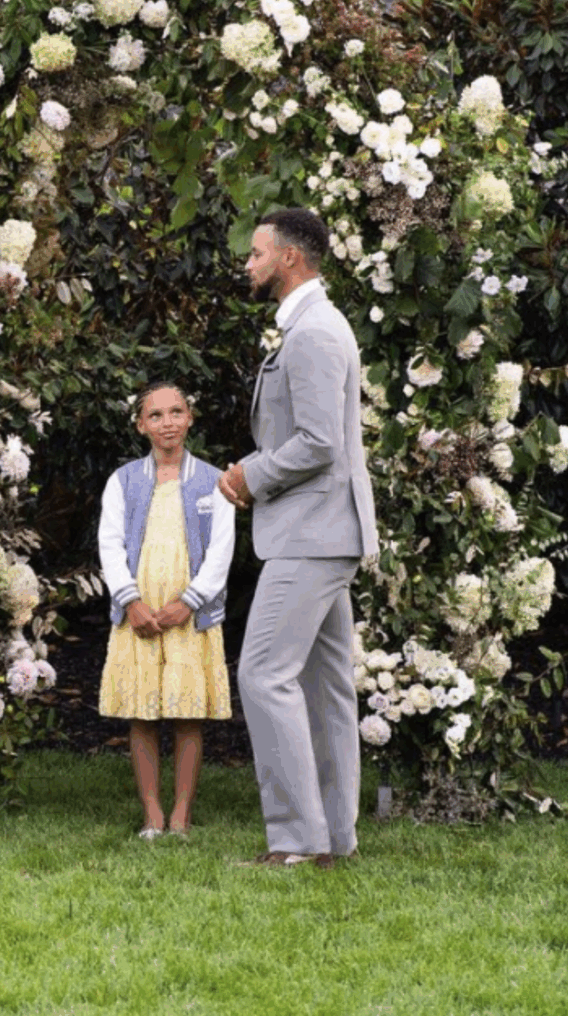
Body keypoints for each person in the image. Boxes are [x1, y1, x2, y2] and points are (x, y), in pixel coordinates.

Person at [217, 208, 379, 869]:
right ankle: (333, 839)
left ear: (289, 258)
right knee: (324, 686)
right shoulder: (311, 325)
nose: (248, 264)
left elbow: (318, 442)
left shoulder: (313, 332)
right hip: (324, 528)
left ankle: (296, 841)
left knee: (263, 674)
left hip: (313, 534)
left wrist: (249, 476)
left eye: (257, 254)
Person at [98, 381, 234, 839]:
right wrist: (130, 601)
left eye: (176, 412)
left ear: (190, 418)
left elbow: (220, 551)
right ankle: (152, 812)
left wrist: (189, 602)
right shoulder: (124, 481)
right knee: (143, 712)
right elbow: (110, 544)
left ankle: (181, 812)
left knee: (187, 713)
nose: (167, 423)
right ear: (141, 426)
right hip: (140, 613)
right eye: (155, 416)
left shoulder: (214, 482)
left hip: (189, 614)